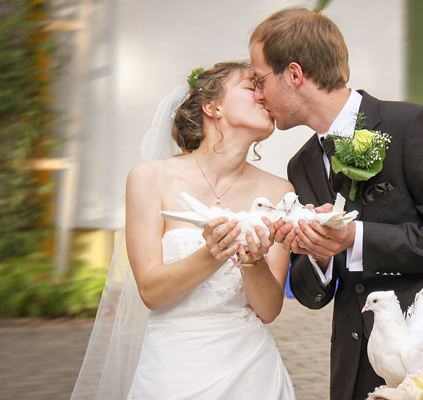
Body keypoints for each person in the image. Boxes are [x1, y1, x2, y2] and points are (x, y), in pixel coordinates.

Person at [249, 9, 423, 400]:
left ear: (294, 74)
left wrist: (354, 237)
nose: (258, 94)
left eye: (260, 79)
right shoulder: (302, 163)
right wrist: (317, 253)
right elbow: (312, 296)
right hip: (358, 366)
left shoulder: (415, 126)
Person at [71, 62, 296, 400]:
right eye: (252, 87)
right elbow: (150, 291)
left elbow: (268, 310)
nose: (265, 95)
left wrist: (252, 261)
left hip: (252, 373)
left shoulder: (279, 191)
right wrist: (212, 253)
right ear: (212, 107)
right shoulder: (149, 178)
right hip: (171, 373)